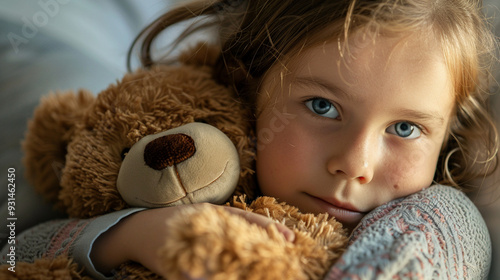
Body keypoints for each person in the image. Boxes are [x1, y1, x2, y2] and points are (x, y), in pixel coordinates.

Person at [3, 0, 499, 279]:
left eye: (405, 129)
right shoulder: (197, 173)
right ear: (250, 88)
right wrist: (134, 234)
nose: (355, 163)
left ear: (447, 136)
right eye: (322, 107)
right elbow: (19, 252)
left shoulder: (436, 211)